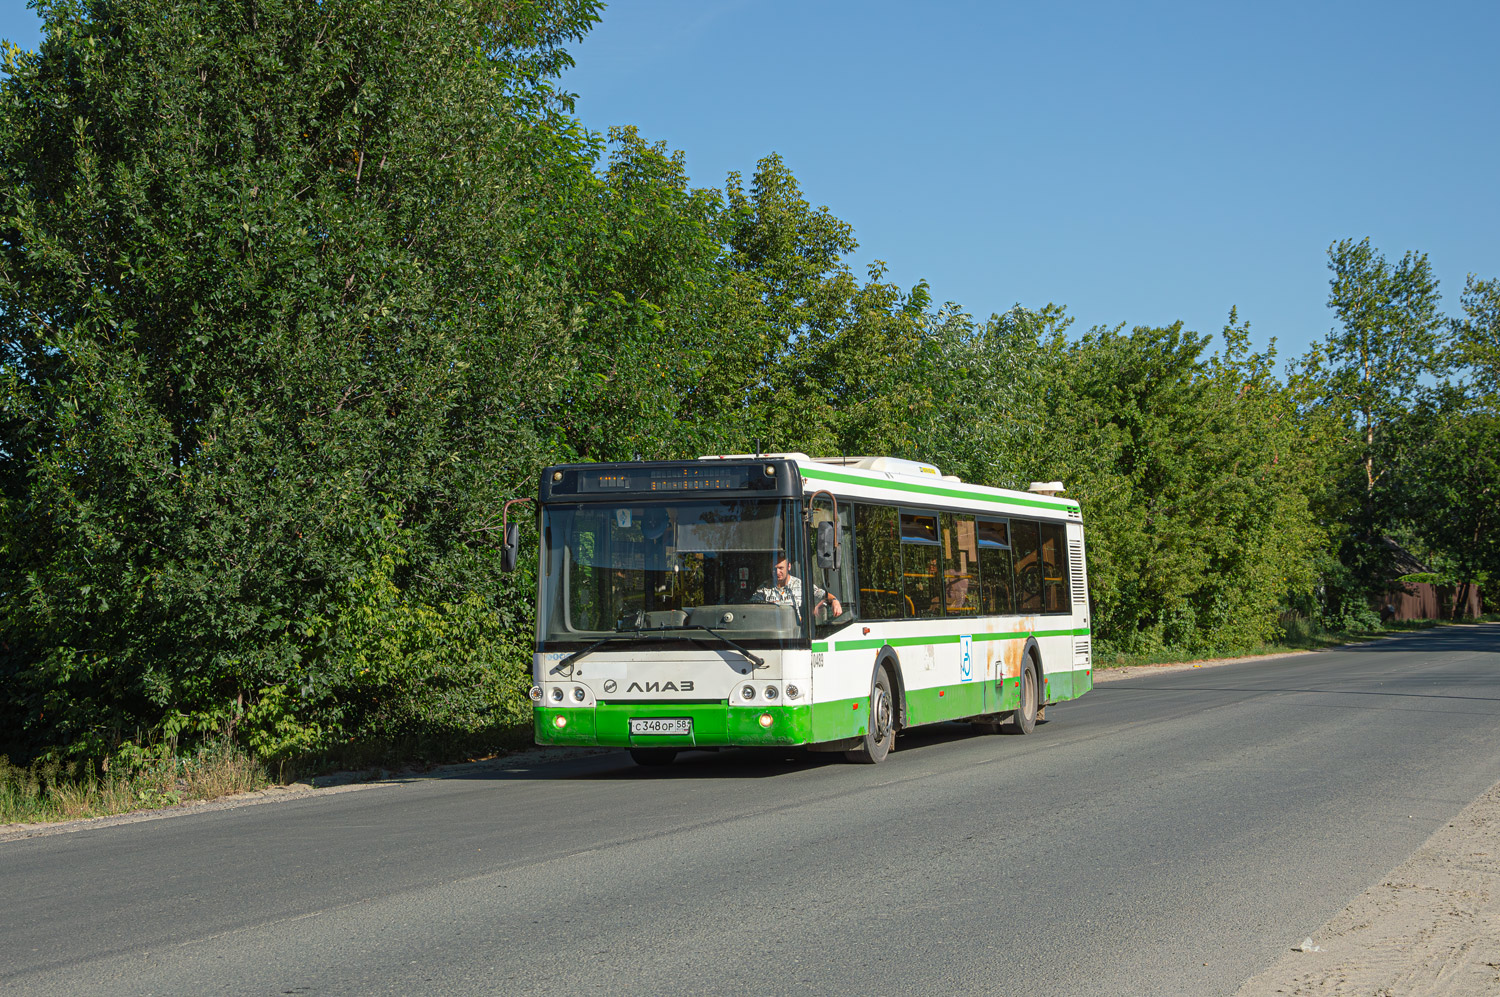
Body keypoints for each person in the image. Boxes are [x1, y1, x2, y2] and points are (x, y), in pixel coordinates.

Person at [751, 553, 842, 620]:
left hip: (796, 635)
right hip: (772, 632)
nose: (777, 572)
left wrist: (834, 601)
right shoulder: (763, 589)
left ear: (789, 567)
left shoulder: (802, 585)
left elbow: (823, 595)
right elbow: (751, 608)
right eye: (774, 569)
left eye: (781, 568)